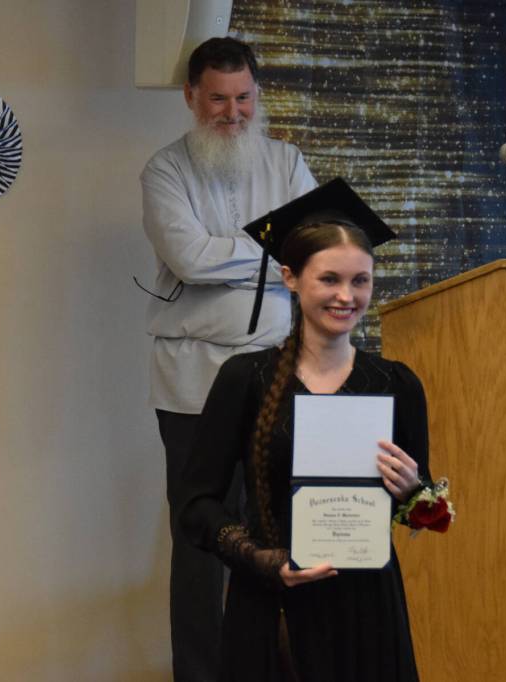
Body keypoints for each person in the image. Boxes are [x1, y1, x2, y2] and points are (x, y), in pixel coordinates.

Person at [178, 180, 429, 681]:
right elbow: (196, 504)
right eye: (329, 279)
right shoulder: (245, 379)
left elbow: (420, 513)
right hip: (271, 605)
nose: (346, 295)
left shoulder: (396, 383)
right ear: (291, 278)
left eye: (361, 280)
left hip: (368, 610)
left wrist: (413, 491)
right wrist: (264, 561)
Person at [140, 36, 317, 680]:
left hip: (275, 378)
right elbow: (188, 258)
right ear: (191, 97)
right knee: (200, 541)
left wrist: (237, 257)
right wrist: (274, 259)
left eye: (244, 98)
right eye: (217, 98)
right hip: (190, 381)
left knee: (275, 529)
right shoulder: (164, 171)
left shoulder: (288, 162)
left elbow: (315, 253)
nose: (232, 112)